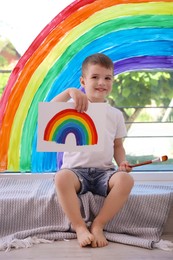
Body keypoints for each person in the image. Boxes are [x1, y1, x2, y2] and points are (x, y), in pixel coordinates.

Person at [52, 53, 134, 248]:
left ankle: (98, 225)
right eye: (95, 77)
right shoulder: (72, 107)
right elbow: (50, 108)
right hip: (75, 172)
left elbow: (117, 146)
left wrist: (122, 162)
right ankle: (80, 227)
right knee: (61, 177)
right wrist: (71, 91)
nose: (101, 82)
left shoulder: (115, 114)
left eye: (107, 78)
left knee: (126, 180)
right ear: (83, 81)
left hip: (104, 172)